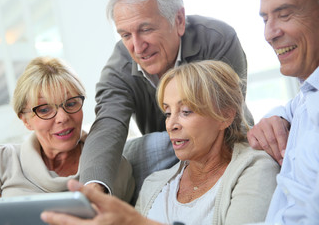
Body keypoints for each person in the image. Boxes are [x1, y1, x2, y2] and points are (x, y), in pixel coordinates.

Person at [41, 60, 279, 225]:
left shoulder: (254, 167)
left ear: (225, 115)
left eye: (186, 111)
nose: (171, 125)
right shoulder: (155, 184)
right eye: (167, 113)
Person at [79, 0, 254, 201]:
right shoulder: (119, 66)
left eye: (146, 29)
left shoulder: (217, 39)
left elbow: (227, 118)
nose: (137, 47)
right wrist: (94, 187)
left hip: (224, 146)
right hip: (169, 165)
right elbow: (108, 124)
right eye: (125, 35)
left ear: (179, 20)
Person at [0, 57, 134, 225]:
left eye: (70, 103)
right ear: (25, 120)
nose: (62, 118)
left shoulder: (113, 166)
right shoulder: (3, 159)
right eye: (45, 109)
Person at [246, 0, 319, 224]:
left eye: (285, 15)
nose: (269, 33)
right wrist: (276, 118)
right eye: (265, 19)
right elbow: (292, 106)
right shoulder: (307, 95)